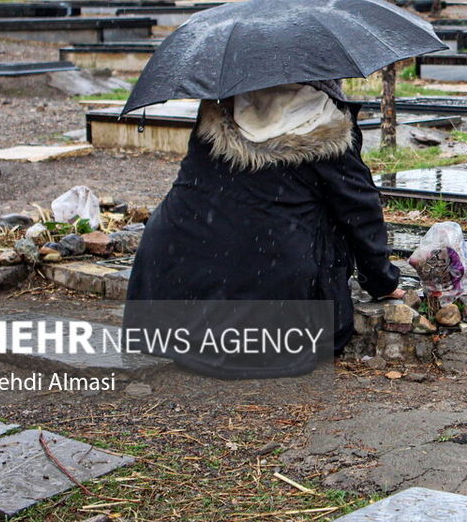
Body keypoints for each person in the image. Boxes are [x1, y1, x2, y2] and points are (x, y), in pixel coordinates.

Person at [124, 80, 402, 378]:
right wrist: (382, 281)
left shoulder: (220, 114)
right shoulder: (325, 127)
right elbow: (360, 213)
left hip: (170, 278)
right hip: (268, 291)